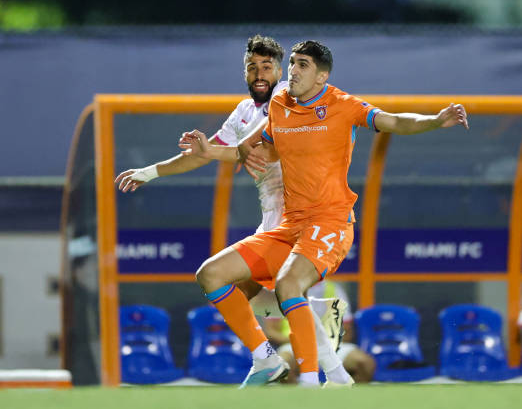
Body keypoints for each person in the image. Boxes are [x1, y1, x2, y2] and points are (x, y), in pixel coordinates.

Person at [181, 39, 469, 387]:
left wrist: (436, 120)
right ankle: (265, 360)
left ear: (322, 76)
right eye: (293, 64)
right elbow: (263, 155)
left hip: (330, 220)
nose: (294, 71)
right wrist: (210, 151)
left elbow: (393, 121)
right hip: (290, 225)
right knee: (210, 274)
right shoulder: (280, 106)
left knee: (288, 285)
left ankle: (310, 384)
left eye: (303, 65)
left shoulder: (341, 104)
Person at [115, 35, 354, 387]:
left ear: (280, 71)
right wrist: (150, 171)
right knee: (247, 290)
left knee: (266, 291)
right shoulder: (243, 112)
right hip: (272, 223)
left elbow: (244, 149)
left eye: (267, 67)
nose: (259, 74)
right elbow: (209, 152)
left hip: (305, 221)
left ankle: (302, 373)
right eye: (251, 67)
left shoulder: (291, 99)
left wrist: (221, 151)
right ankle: (319, 367)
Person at [262, 281, 375, 383]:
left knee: (365, 364)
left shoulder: (334, 289)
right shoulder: (279, 290)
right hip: (293, 346)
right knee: (281, 367)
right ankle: (300, 402)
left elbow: (347, 331)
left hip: (330, 345)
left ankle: (345, 403)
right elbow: (271, 331)